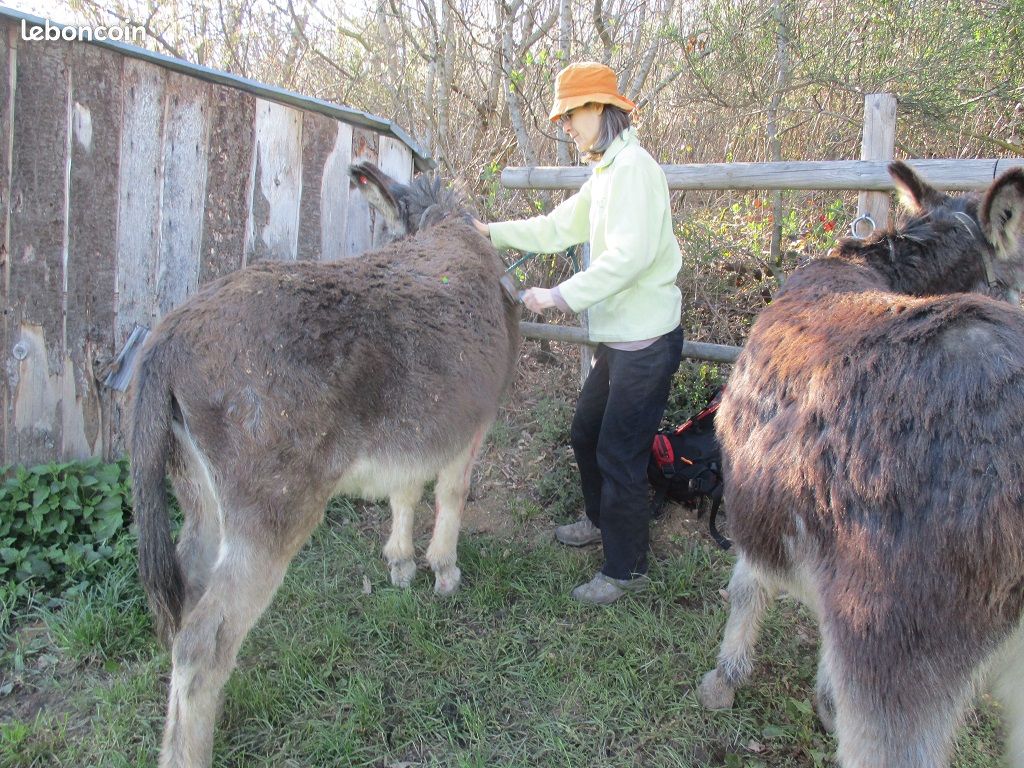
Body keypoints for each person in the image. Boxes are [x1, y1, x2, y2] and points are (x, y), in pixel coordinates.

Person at [474, 62, 684, 605]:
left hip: (646, 343)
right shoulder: (607, 172)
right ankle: (600, 520)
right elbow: (555, 226)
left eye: (572, 114)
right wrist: (489, 232)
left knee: (619, 452)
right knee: (586, 432)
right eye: (564, 117)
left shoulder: (635, 169)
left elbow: (630, 259)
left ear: (600, 109)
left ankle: (625, 569)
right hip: (619, 341)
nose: (566, 125)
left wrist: (559, 296)